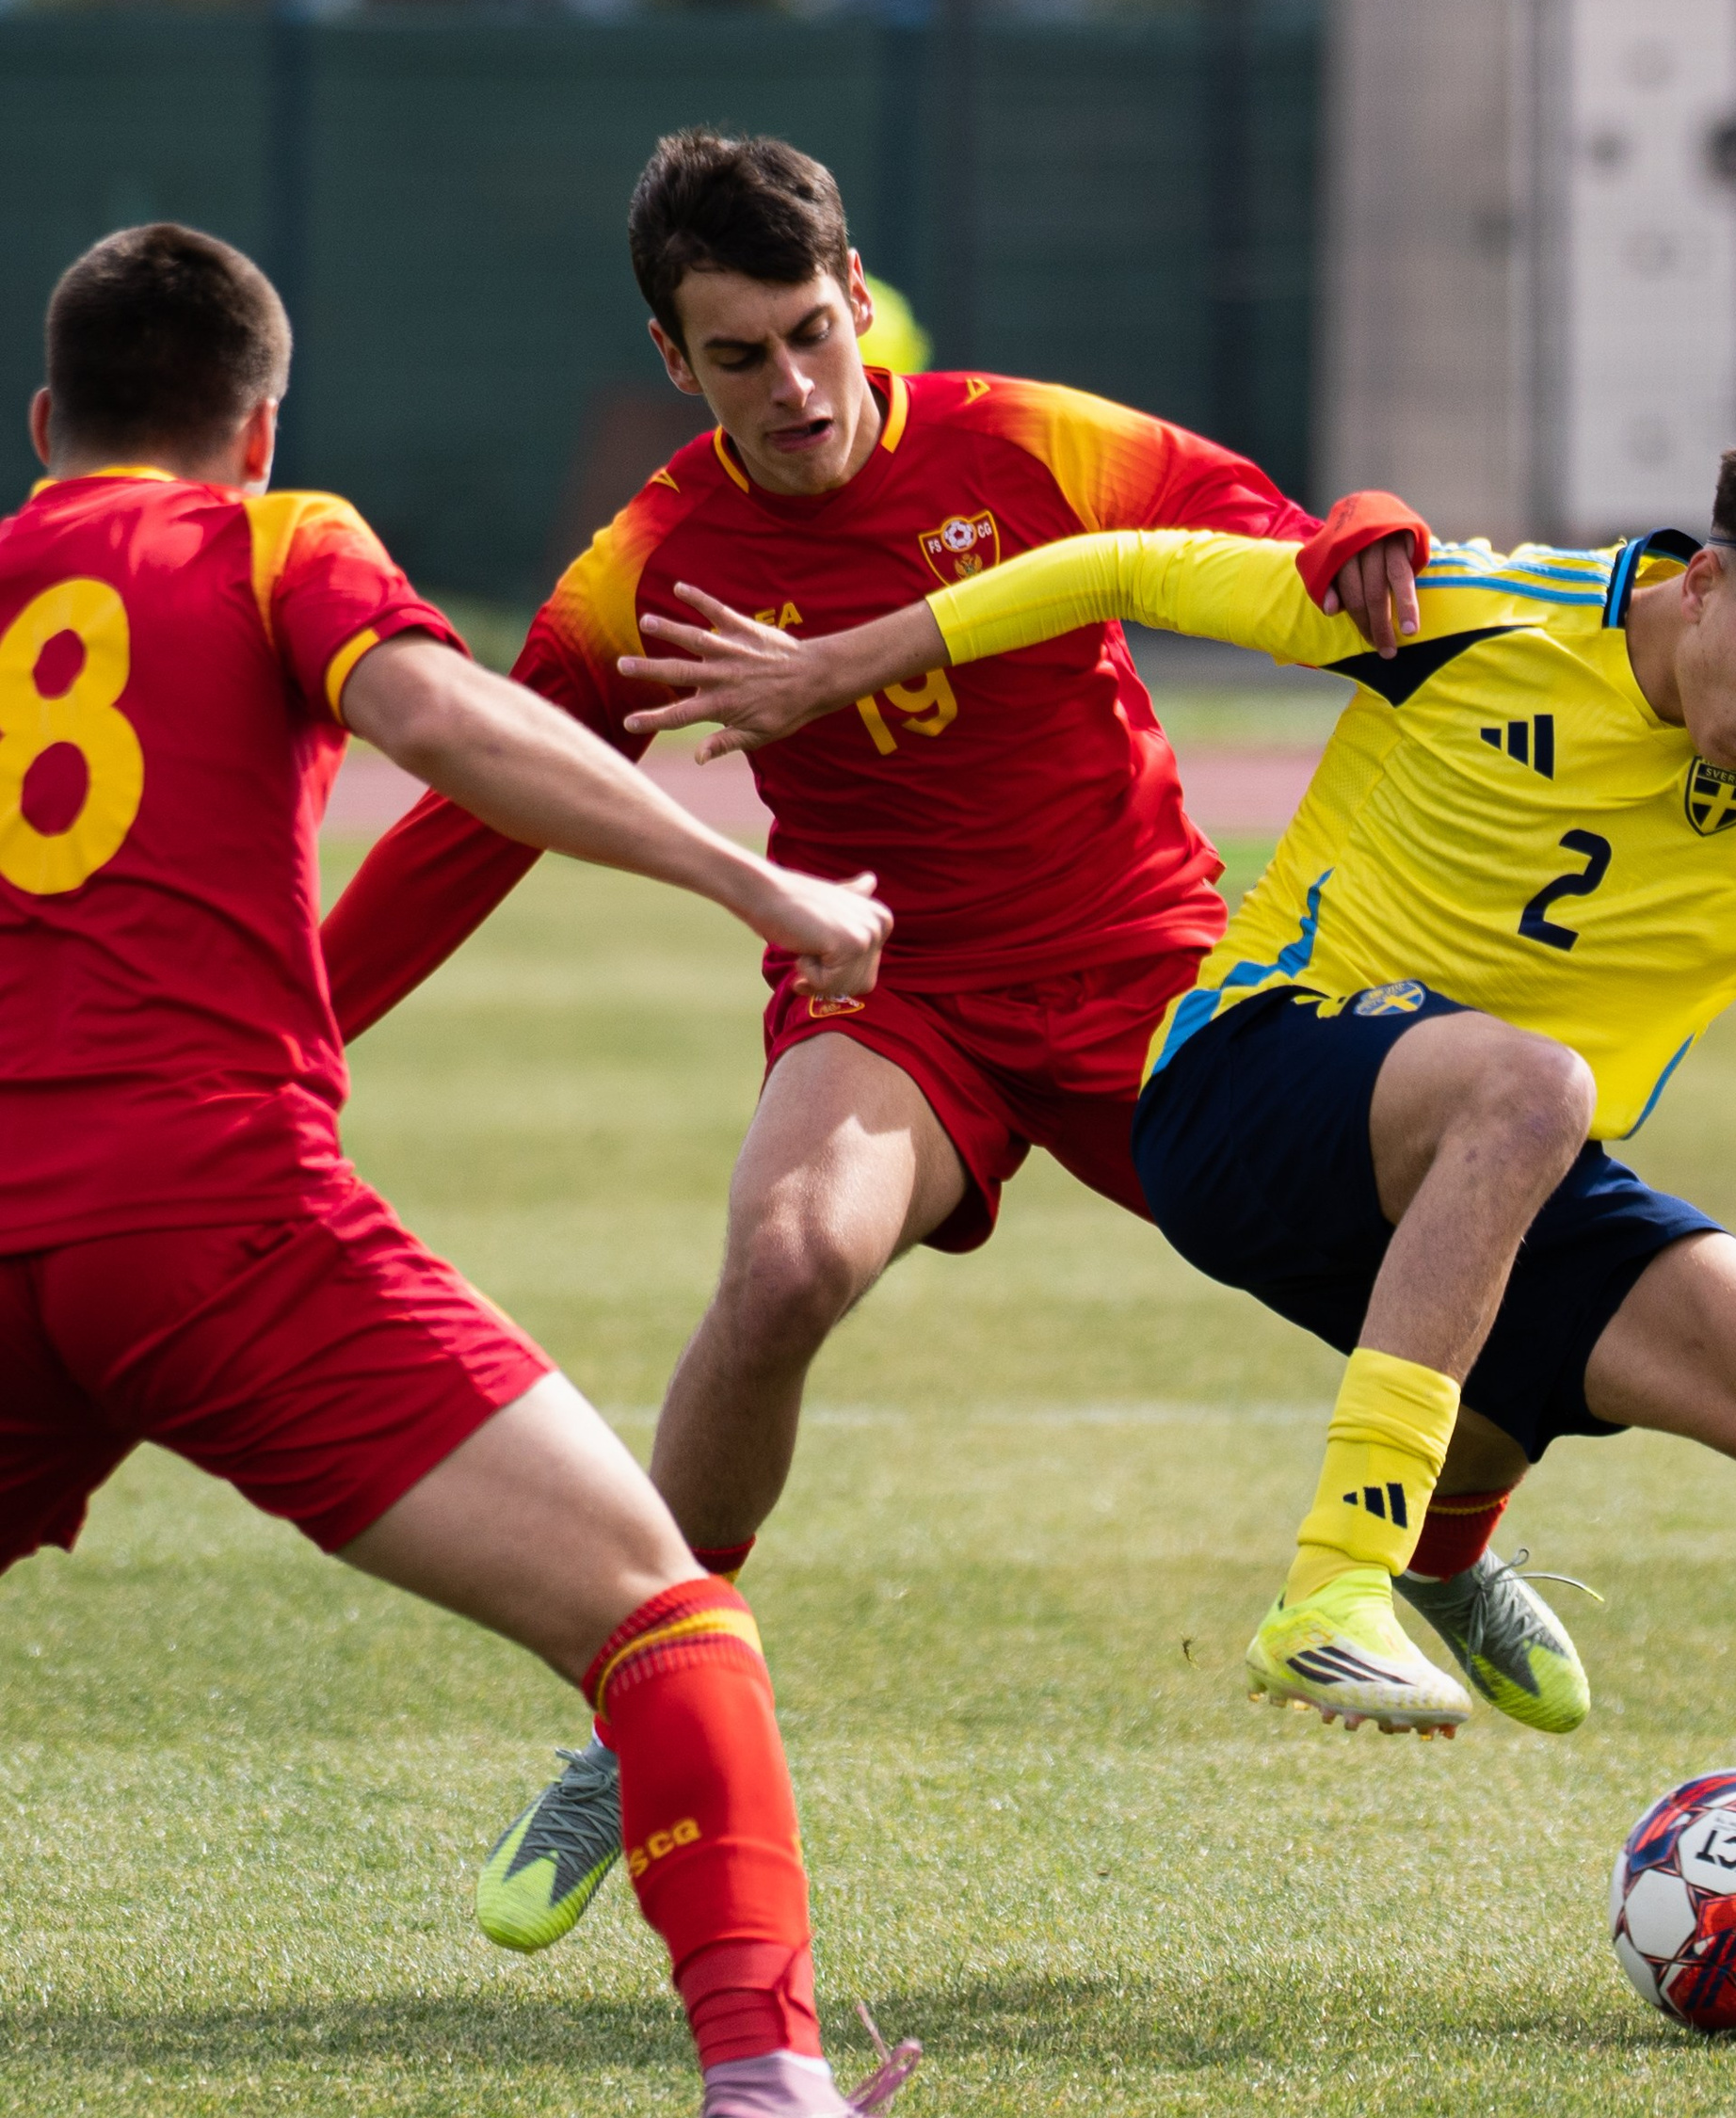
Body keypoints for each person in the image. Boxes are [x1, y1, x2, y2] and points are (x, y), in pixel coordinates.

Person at [625, 425, 1736, 2014]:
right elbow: (1117, 563)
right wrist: (839, 661)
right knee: (1533, 1086)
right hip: (1246, 1090)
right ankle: (1333, 1589)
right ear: (1703, 581)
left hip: (1495, 1167)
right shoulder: (1465, 614)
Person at [0, 221, 1052, 2118]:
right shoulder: (279, 541)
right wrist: (773, 895)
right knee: (663, 1617)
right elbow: (459, 730)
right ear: (261, 421)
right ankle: (769, 2094)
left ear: (48, 424)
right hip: (213, 1210)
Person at [316, 129, 1426, 1953]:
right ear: (675, 362)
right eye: (740, 356)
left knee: (1400, 1260)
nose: (795, 386)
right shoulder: (653, 557)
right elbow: (480, 811)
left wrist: (1365, 526)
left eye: (813, 333)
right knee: (779, 1266)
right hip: (893, 987)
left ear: (857, 300)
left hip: (1147, 968)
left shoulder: (1030, 442)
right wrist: (305, 1027)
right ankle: (637, 1708)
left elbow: (1271, 532)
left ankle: (1439, 1545)